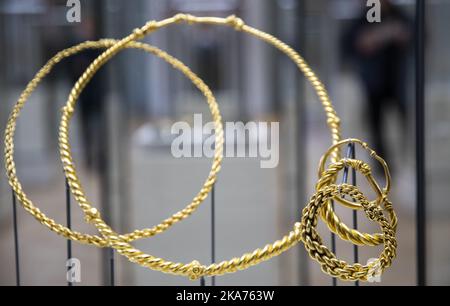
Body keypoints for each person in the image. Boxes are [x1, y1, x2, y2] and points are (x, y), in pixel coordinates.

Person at [342, 0, 412, 169]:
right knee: (376, 128)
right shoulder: (363, 18)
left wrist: (397, 35)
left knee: (405, 124)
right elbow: (350, 46)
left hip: (398, 81)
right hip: (373, 84)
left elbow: (416, 35)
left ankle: (406, 162)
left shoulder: (398, 15)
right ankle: (383, 167)